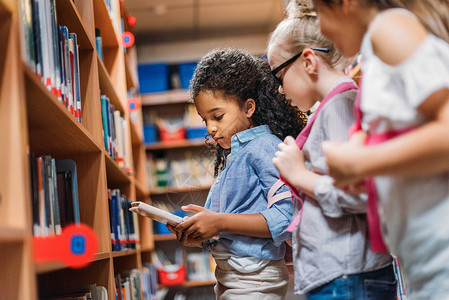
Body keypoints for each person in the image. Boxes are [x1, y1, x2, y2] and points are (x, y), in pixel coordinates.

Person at [310, 0, 449, 298]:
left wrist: (362, 163)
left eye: (319, 12)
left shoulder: (388, 28)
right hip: (423, 259)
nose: (320, 28)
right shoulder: (377, 49)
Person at [266, 1, 397, 299]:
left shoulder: (340, 105)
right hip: (342, 274)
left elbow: (358, 193)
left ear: (309, 62)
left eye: (279, 76)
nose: (279, 89)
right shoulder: (331, 107)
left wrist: (299, 175)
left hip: (348, 275)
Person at [168, 48, 306, 300]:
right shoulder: (234, 155)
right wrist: (199, 235)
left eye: (218, 116)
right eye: (204, 120)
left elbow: (286, 217)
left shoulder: (263, 146)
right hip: (233, 275)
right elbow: (232, 227)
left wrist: (219, 222)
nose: (210, 127)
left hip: (254, 277)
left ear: (249, 108)